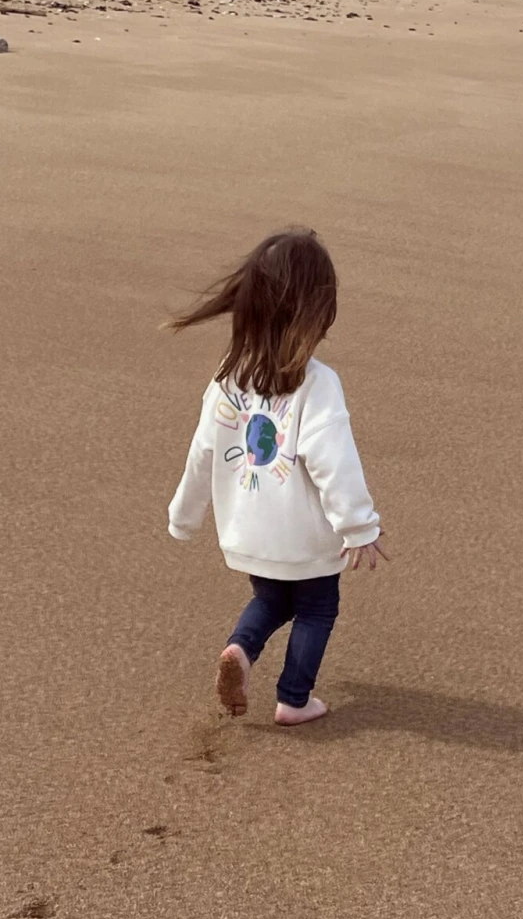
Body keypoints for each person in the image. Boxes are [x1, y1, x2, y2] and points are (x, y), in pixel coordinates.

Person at [166, 229, 388, 726]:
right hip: (305, 537)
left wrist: (184, 516)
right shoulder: (318, 383)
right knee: (315, 608)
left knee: (269, 598)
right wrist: (359, 528)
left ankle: (239, 652)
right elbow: (334, 460)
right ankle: (293, 698)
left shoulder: (228, 374)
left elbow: (202, 450)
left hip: (249, 530)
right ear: (318, 312)